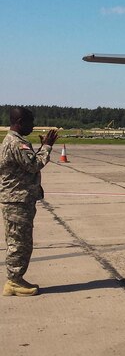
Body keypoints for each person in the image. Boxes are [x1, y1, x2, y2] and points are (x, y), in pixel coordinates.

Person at [1, 107, 58, 296]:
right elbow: (34, 165)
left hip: (17, 200)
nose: (32, 126)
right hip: (17, 202)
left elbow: (27, 164)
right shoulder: (17, 143)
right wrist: (48, 147)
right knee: (19, 242)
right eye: (30, 122)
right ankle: (14, 281)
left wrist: (41, 149)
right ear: (19, 122)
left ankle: (15, 279)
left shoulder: (15, 142)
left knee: (19, 241)